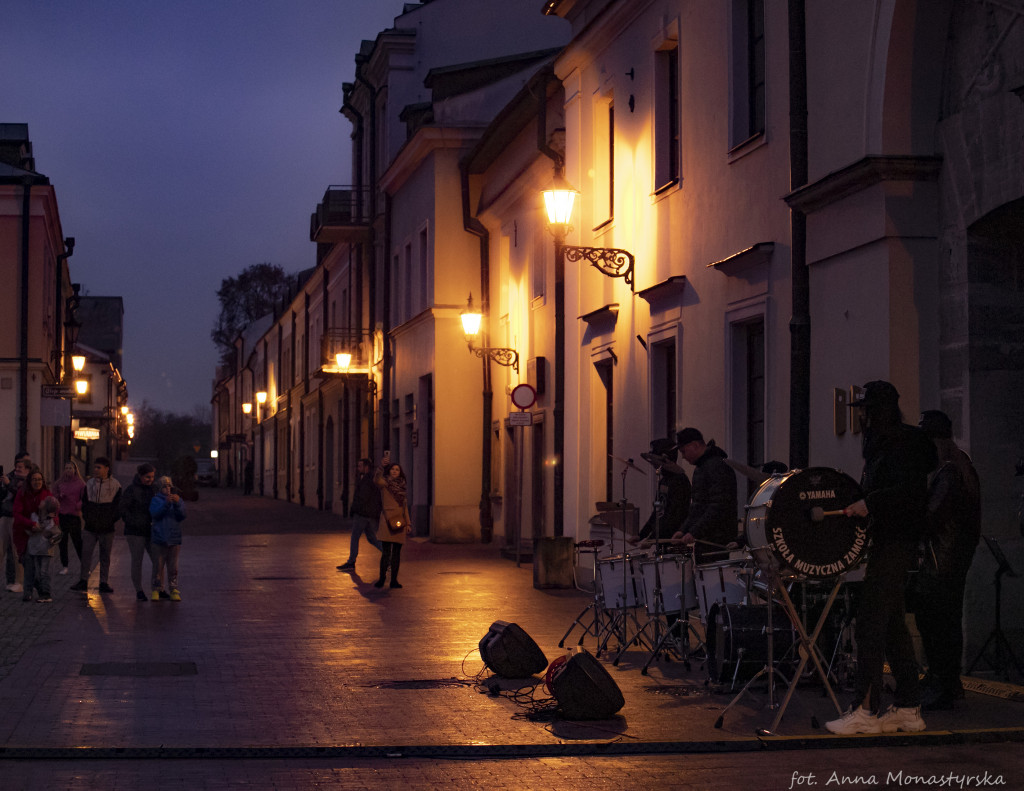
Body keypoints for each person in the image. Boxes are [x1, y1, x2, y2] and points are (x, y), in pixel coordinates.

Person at [826, 380, 937, 735]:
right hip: (891, 538)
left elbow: (907, 492)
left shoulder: (900, 444)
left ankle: (865, 710)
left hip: (896, 539)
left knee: (872, 622)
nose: (863, 419)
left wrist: (869, 504)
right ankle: (907, 707)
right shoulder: (888, 443)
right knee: (890, 625)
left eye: (867, 411)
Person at [914, 409, 981, 711]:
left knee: (936, 620)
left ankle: (942, 682)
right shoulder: (961, 466)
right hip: (952, 558)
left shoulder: (948, 472)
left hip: (941, 560)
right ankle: (946, 681)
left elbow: (932, 516)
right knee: (946, 620)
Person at [672, 427, 738, 561]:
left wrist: (694, 531)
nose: (683, 457)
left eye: (683, 451)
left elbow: (719, 505)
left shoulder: (716, 467)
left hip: (717, 538)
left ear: (695, 445)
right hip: (706, 537)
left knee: (714, 579)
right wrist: (683, 530)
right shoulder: (702, 468)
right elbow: (697, 506)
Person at [71, 457, 122, 594]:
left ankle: (103, 581)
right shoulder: (90, 484)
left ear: (107, 469)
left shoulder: (115, 485)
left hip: (107, 527)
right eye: (95, 467)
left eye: (99, 467)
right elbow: (85, 503)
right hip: (91, 526)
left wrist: (111, 519)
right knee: (86, 553)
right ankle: (83, 579)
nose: (96, 470)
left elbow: (118, 506)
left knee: (105, 555)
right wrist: (87, 518)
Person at [633, 438, 690, 546]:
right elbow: (657, 513)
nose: (654, 465)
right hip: (662, 540)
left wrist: (652, 538)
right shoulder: (664, 480)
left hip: (674, 541)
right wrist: (641, 535)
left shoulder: (679, 481)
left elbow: (673, 516)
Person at [120, 462, 160, 601]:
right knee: (137, 561)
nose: (150, 479)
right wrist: (133, 521)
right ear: (140, 476)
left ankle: (157, 588)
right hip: (135, 531)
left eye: (152, 476)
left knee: (157, 560)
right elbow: (123, 509)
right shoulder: (131, 490)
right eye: (147, 477)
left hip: (151, 530)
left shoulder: (154, 489)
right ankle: (139, 590)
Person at [12, 466, 53, 602]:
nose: (37, 482)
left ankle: (43, 591)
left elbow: (54, 514)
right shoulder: (22, 493)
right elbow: (17, 514)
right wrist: (31, 524)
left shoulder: (47, 495)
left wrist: (48, 527)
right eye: (34, 479)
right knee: (27, 563)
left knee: (42, 568)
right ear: (29, 481)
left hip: (42, 535)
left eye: (39, 479)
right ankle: (28, 592)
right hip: (24, 533)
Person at [338, 458, 383, 572]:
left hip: (363, 513)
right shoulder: (368, 478)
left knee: (355, 536)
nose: (358, 468)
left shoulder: (367, 480)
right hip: (367, 513)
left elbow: (362, 497)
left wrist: (354, 509)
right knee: (371, 538)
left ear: (366, 467)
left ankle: (351, 562)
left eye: (360, 466)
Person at [373, 458, 411, 589]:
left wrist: (409, 523)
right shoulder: (385, 484)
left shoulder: (402, 487)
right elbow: (376, 480)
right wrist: (381, 468)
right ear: (389, 471)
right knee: (386, 553)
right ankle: (382, 579)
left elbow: (405, 506)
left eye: (397, 470)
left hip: (400, 521)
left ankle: (394, 580)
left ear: (400, 473)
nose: (395, 471)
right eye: (393, 469)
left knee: (396, 553)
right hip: (387, 520)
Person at [150, 476, 186, 601]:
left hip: (174, 537)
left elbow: (182, 515)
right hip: (159, 538)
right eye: (165, 487)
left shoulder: (178, 500)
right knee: (158, 566)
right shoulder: (156, 500)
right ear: (160, 489)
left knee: (173, 566)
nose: (168, 489)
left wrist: (176, 504)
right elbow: (155, 514)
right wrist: (166, 504)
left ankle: (174, 588)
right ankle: (156, 589)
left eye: (169, 486)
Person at [24, 495, 61, 603]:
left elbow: (57, 534)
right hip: (34, 548)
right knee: (37, 573)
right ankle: (41, 590)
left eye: (44, 502)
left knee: (45, 572)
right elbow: (28, 529)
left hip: (45, 550)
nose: (41, 502)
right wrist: (31, 530)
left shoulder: (51, 521)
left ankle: (46, 593)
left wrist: (51, 540)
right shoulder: (34, 516)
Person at [53, 460, 86, 576]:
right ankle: (65, 565)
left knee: (77, 541)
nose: (68, 471)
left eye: (70, 468)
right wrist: (59, 497)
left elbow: (85, 498)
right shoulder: (59, 483)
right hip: (62, 514)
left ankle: (85, 565)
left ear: (75, 470)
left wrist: (78, 505)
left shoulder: (80, 484)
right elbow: (54, 496)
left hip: (74, 515)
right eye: (66, 468)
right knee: (62, 542)